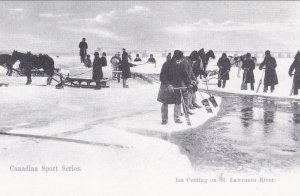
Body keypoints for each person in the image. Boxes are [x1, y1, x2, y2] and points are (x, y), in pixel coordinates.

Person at [157, 50, 191, 125]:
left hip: (176, 86)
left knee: (178, 102)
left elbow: (185, 75)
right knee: (165, 103)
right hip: (166, 87)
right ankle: (164, 119)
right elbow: (162, 76)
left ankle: (177, 118)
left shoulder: (181, 65)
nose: (182, 60)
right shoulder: (166, 64)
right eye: (180, 59)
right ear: (176, 58)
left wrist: (189, 83)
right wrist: (168, 85)